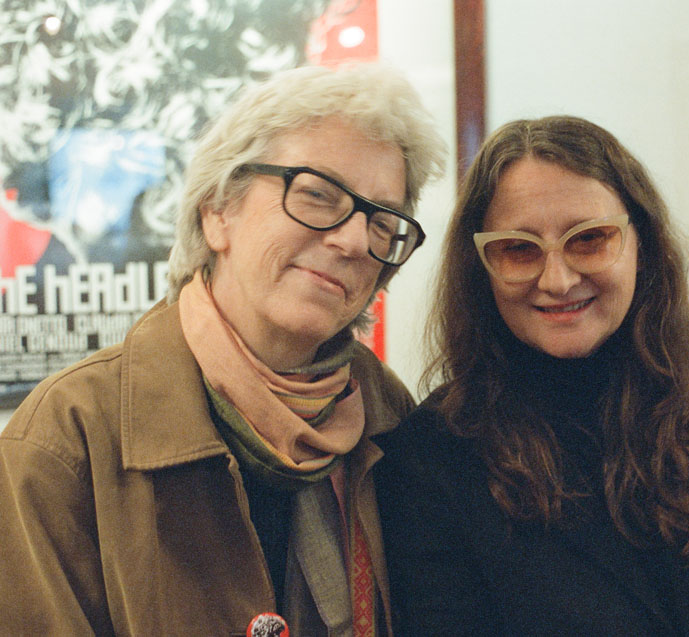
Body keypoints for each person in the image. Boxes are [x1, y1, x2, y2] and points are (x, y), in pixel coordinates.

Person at [373, 115, 689, 635]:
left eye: (589, 239)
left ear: (642, 245)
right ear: (482, 268)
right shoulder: (430, 457)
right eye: (518, 248)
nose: (557, 280)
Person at [0, 64, 445, 635]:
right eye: (317, 194)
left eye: (383, 223)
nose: (355, 240)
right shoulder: (68, 439)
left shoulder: (387, 415)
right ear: (217, 211)